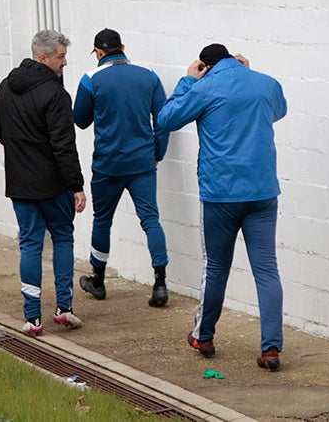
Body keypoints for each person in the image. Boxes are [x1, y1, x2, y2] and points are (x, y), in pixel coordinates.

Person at [157, 43, 287, 371]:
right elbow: (279, 110)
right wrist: (247, 72)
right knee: (267, 270)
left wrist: (188, 81)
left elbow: (167, 118)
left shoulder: (204, 87)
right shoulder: (266, 83)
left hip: (221, 195)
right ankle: (271, 349)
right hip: (262, 193)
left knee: (215, 268)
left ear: (206, 66)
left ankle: (204, 336)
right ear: (234, 60)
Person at [0, 29, 88, 337]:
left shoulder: (7, 86)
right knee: (62, 238)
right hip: (53, 184)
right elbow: (63, 145)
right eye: (61, 57)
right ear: (43, 57)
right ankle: (64, 309)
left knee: (30, 244)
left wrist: (20, 152)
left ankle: (32, 318)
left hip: (20, 183)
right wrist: (77, 185)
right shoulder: (56, 95)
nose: (65, 63)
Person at [73, 28, 171, 306]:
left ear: (99, 53)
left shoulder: (91, 79)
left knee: (103, 220)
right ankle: (160, 283)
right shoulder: (149, 75)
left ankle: (99, 280)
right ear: (123, 47)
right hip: (142, 162)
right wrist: (157, 153)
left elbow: (80, 120)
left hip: (108, 165)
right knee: (150, 219)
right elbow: (162, 120)